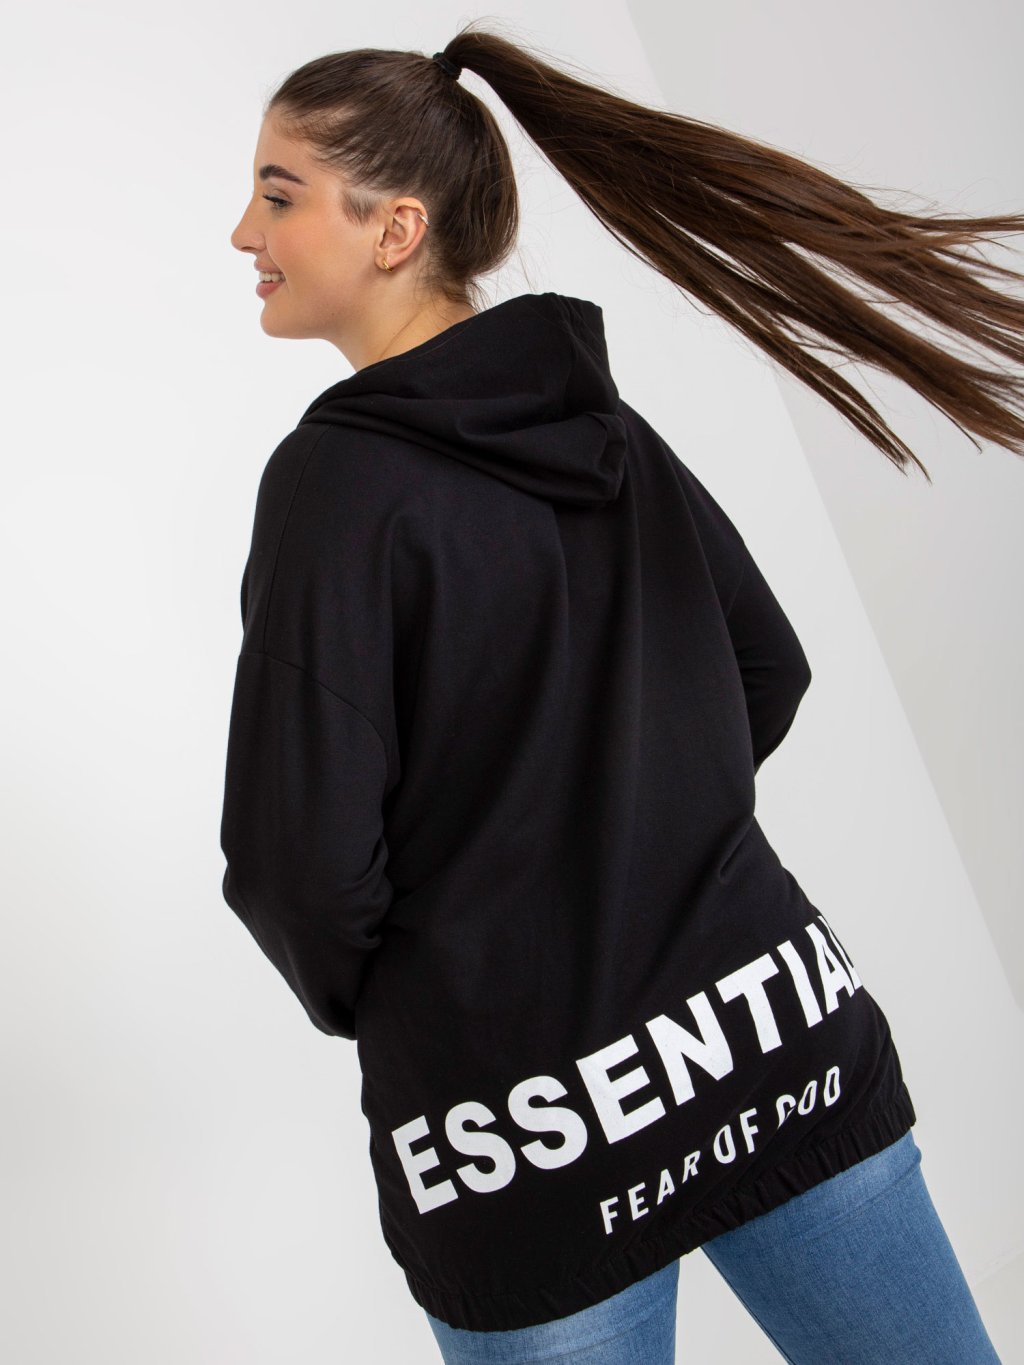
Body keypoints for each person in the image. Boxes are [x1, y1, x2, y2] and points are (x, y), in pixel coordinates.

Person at [220, 21, 1019, 1363]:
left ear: (396, 228)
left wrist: (454, 974)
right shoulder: (597, 420)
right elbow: (765, 664)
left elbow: (298, 867)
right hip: (771, 1034)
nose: (245, 231)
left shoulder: (334, 484)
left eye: (279, 194)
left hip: (524, 1129)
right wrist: (640, 843)